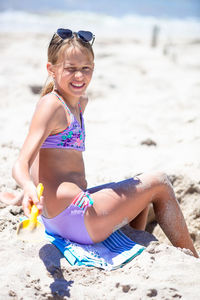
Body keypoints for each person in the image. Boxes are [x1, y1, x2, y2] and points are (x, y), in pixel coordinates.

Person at [2, 28, 198, 257]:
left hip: (64, 216)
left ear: (93, 68)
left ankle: (134, 240)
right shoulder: (51, 105)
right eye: (70, 69)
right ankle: (194, 261)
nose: (79, 76)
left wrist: (19, 197)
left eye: (86, 68)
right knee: (160, 183)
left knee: (138, 191)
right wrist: (27, 189)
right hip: (74, 218)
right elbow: (21, 163)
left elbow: (45, 156)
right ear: (51, 69)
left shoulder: (77, 102)